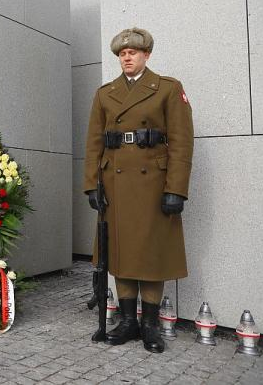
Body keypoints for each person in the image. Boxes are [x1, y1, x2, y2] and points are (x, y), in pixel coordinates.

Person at [84, 27, 194, 354]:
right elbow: (93, 143)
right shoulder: (106, 93)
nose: (126, 57)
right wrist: (92, 183)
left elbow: (182, 142)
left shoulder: (167, 89)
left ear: (146, 54)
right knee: (119, 251)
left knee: (151, 253)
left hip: (153, 185)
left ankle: (150, 325)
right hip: (115, 184)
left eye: (132, 52)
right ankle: (128, 321)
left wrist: (177, 189)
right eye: (121, 53)